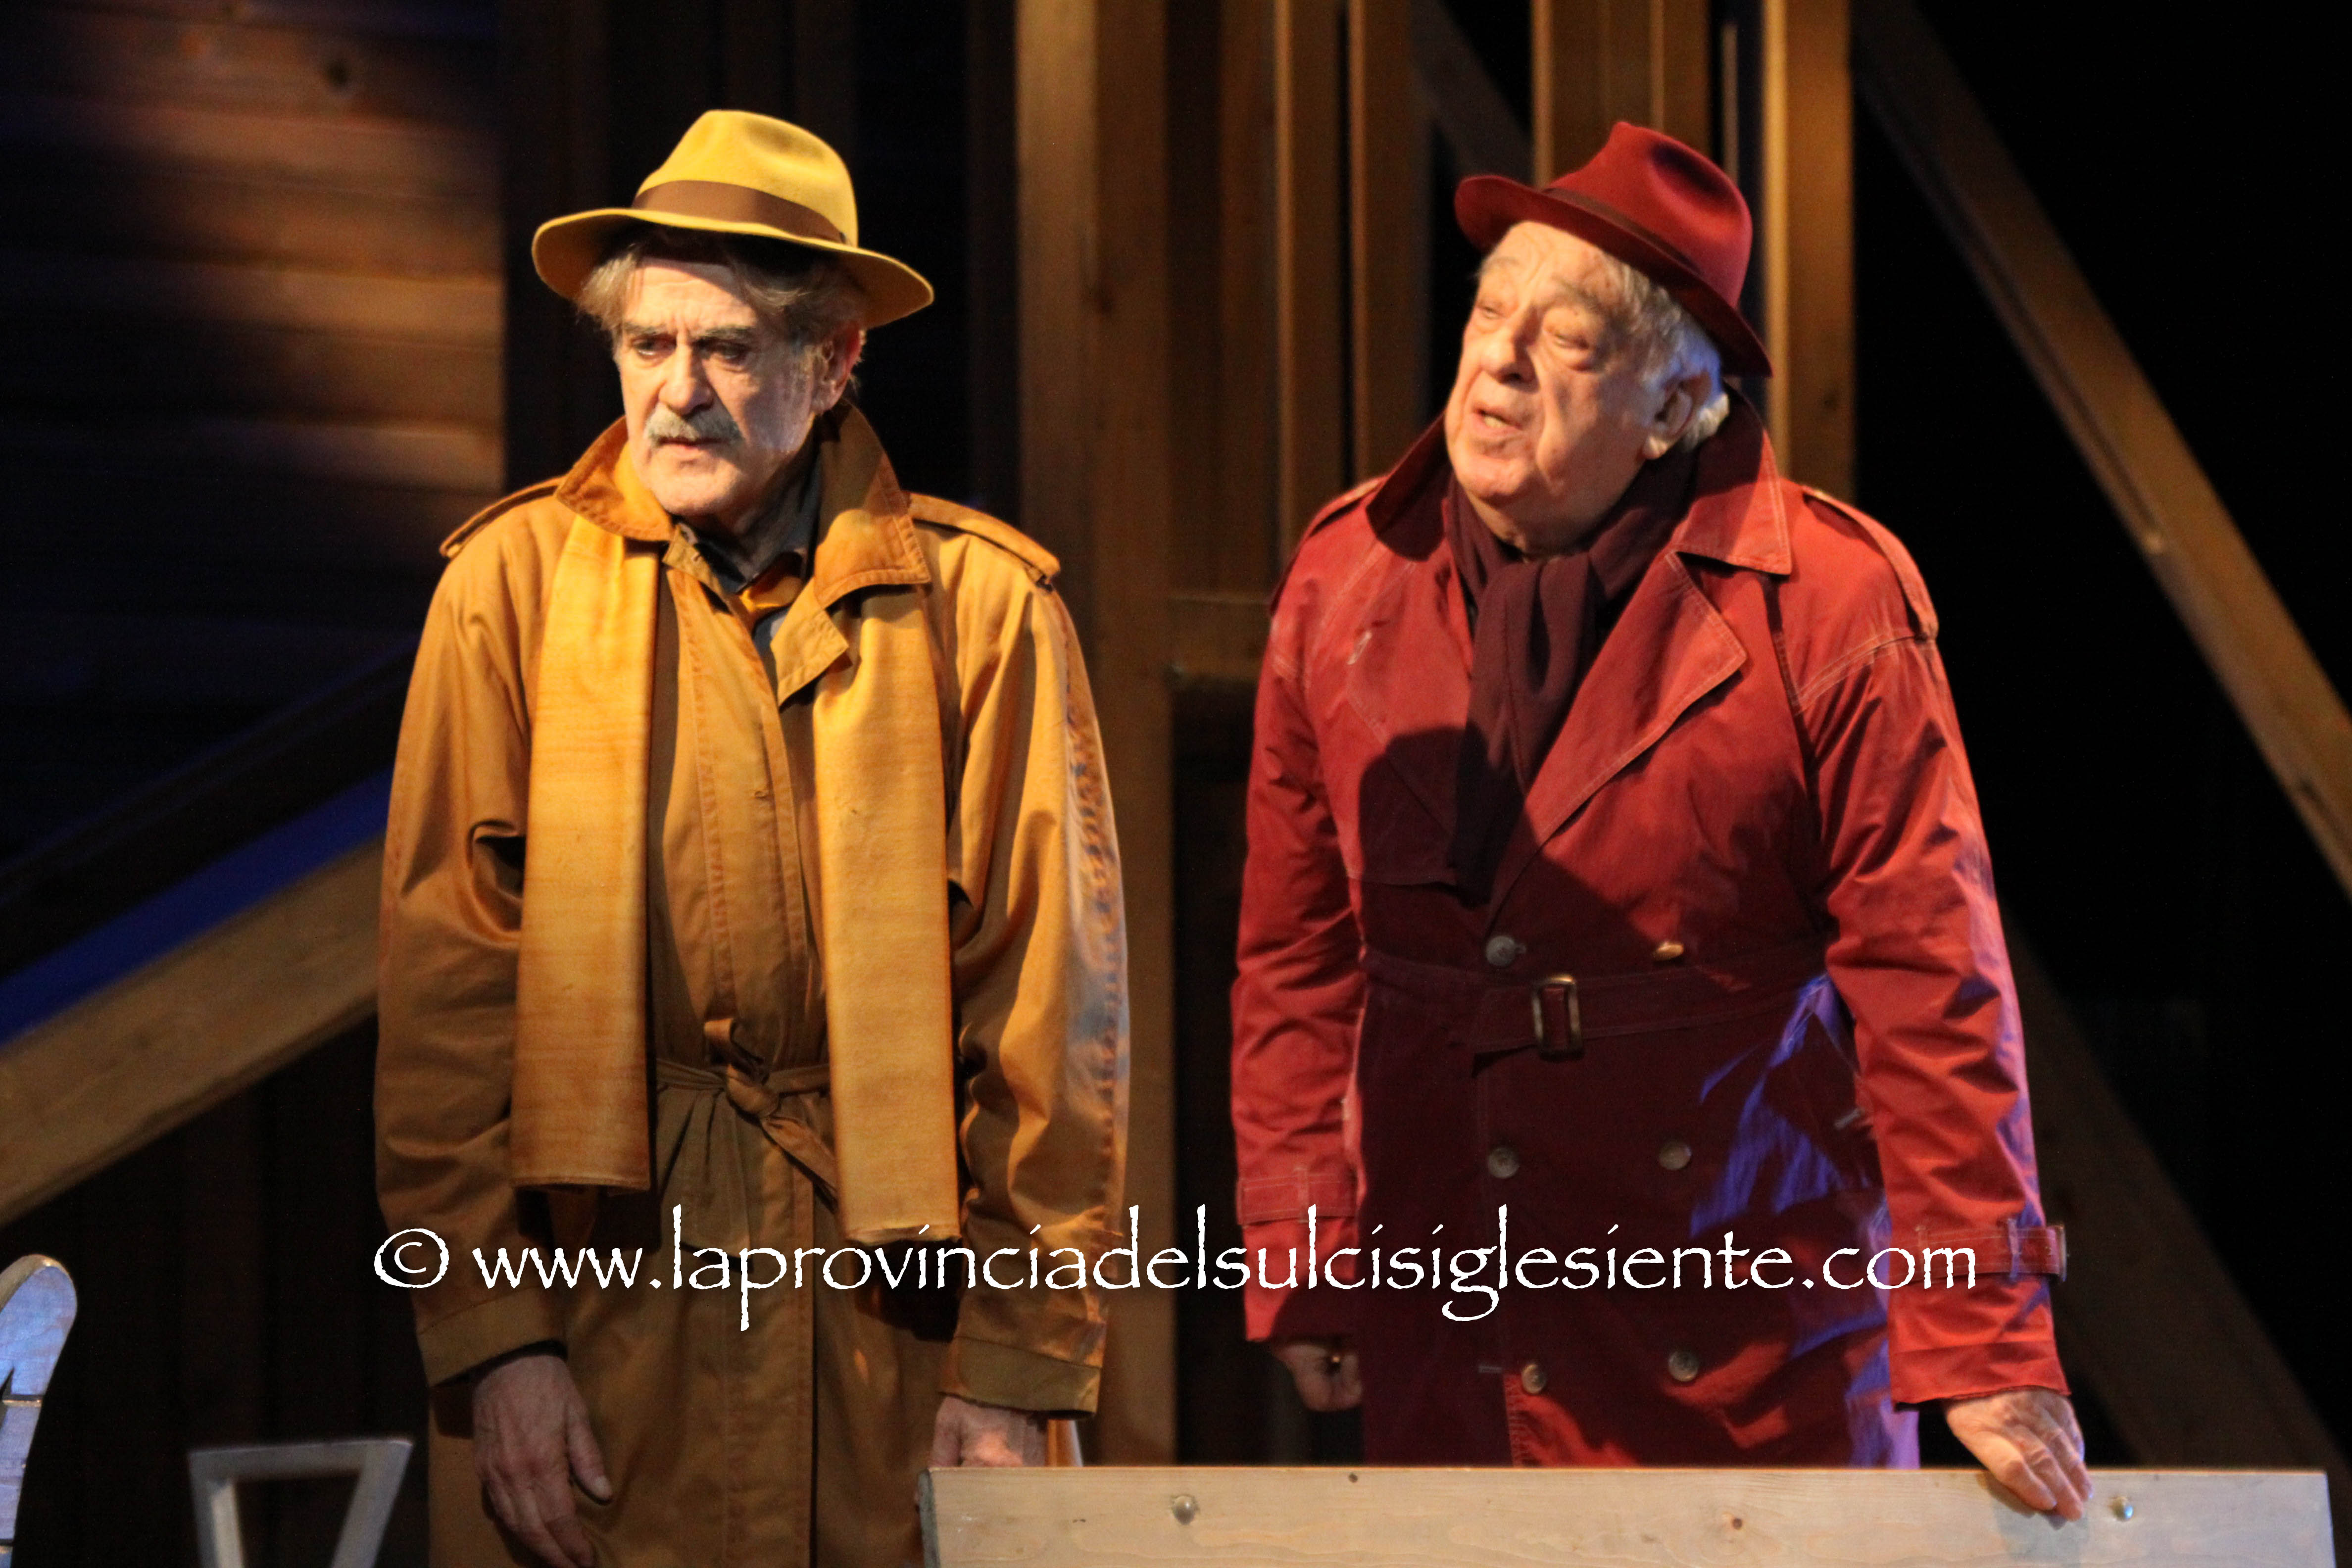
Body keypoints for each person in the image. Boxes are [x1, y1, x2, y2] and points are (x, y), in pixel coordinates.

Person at [1229, 122, 2091, 1519]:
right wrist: (1306, 1246)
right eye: (1491, 315)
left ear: (1677, 405)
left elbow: (1935, 982)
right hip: (1464, 1311)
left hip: (1743, 1333)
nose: (1500, 364)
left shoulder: (1829, 602)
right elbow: (1298, 957)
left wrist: (1986, 1339)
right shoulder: (1347, 578)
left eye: (1567, 341)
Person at [376, 110, 1128, 1568]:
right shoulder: (510, 591)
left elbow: (1053, 1024)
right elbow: (446, 1007)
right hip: (605, 1312)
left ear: (835, 361)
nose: (676, 394)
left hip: (897, 1321)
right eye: (646, 345)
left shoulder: (981, 612)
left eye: (725, 350)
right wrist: (495, 1339)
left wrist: (1015, 1365)